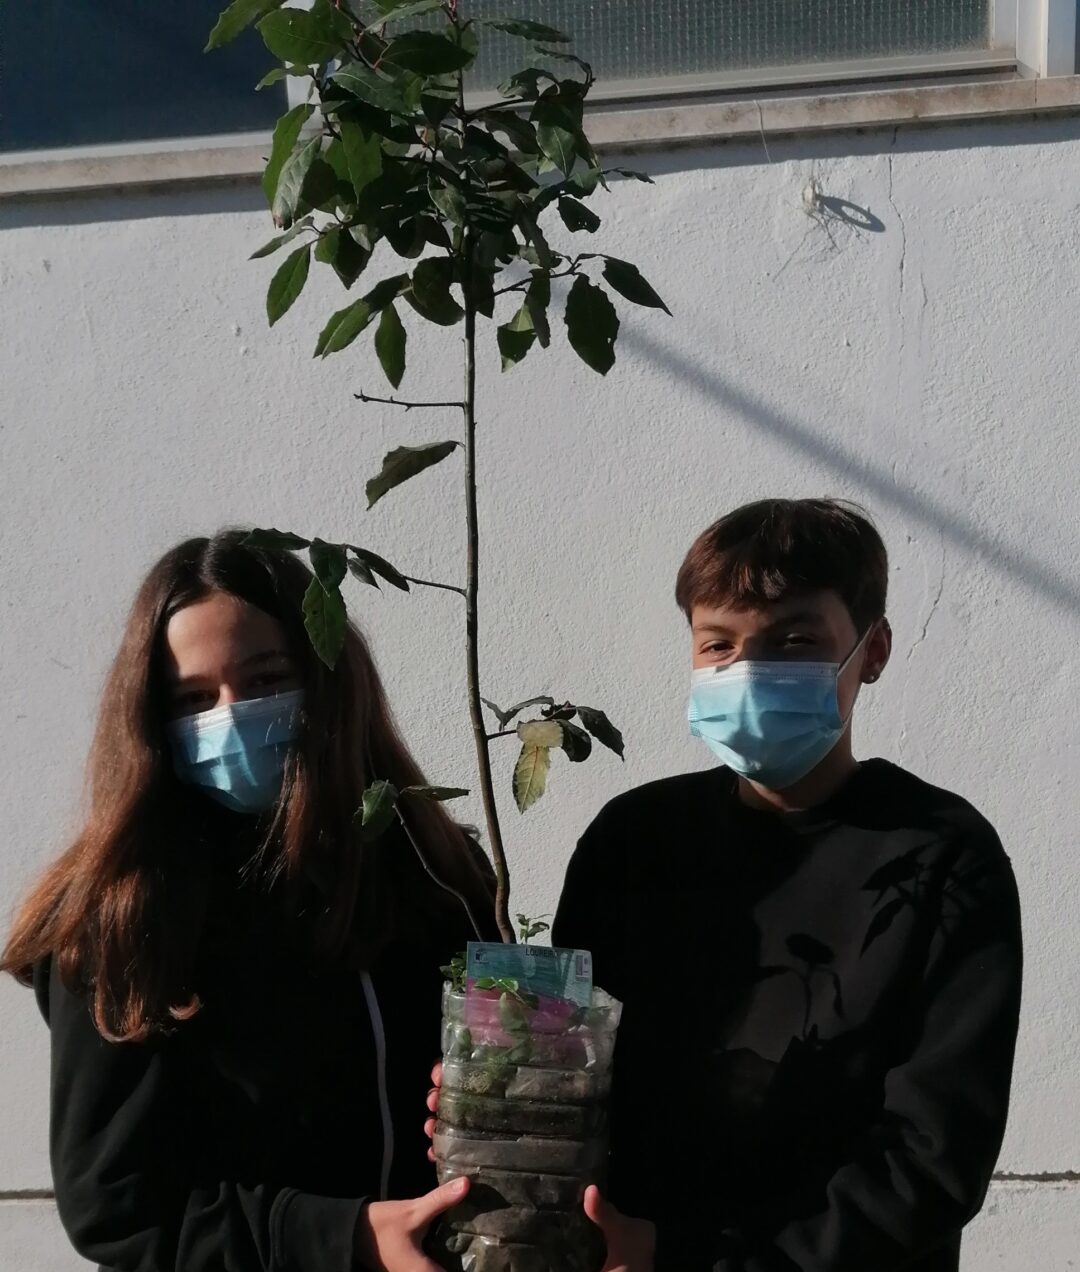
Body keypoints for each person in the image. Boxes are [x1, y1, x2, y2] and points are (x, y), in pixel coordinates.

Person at [2, 530, 498, 1272]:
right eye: (195, 698)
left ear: (328, 679)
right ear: (152, 722)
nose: (232, 716)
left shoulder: (433, 868)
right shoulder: (126, 912)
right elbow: (118, 1206)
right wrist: (345, 1238)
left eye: (266, 680)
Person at [550, 498, 1023, 1271]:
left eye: (794, 641)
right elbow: (572, 1070)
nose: (749, 671)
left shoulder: (944, 857)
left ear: (873, 651)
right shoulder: (632, 842)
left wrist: (687, 1257)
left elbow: (933, 1161)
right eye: (719, 644)